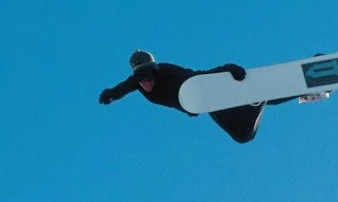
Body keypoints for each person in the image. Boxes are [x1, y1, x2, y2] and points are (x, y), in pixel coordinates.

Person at [99, 50, 274, 145]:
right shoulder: (136, 82)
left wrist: (227, 68)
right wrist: (110, 95)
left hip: (211, 93)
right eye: (141, 80)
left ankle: (259, 100)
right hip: (210, 105)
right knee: (243, 135)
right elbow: (121, 89)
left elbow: (199, 78)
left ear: (155, 70)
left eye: (149, 76)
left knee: (244, 134)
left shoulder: (167, 71)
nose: (146, 82)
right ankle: (256, 101)